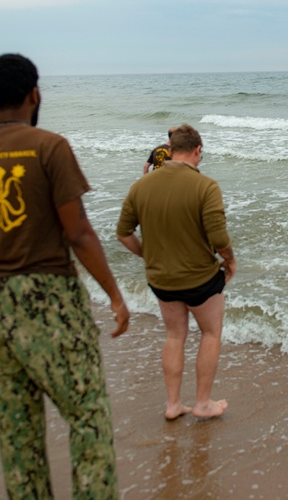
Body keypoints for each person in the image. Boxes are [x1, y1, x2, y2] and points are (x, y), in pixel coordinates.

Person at [0, 54, 129, 500]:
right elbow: (79, 232)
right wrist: (115, 294)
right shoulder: (49, 146)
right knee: (87, 417)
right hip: (50, 295)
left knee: (18, 434)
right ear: (34, 92)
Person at [116, 124, 236, 421]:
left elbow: (123, 234)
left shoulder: (140, 186)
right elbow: (219, 239)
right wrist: (230, 261)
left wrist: (149, 254)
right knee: (210, 333)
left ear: (169, 151)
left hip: (161, 279)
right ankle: (202, 403)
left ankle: (173, 405)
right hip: (201, 280)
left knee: (174, 336)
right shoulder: (205, 186)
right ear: (197, 151)